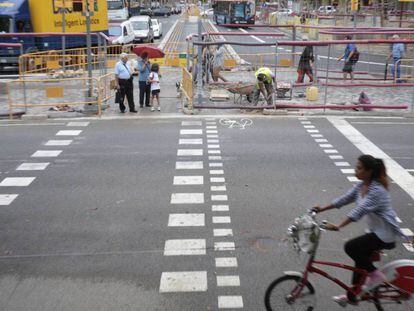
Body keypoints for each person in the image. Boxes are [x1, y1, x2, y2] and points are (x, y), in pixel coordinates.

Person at [314, 155, 410, 307]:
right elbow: (344, 199)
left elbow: (360, 210)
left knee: (351, 247)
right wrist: (320, 209)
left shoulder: (377, 191)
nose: (355, 170)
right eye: (356, 167)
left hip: (386, 234)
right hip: (376, 231)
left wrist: (339, 225)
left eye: (359, 168)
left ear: (369, 171)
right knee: (359, 259)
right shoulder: (361, 186)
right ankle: (352, 295)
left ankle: (376, 275)